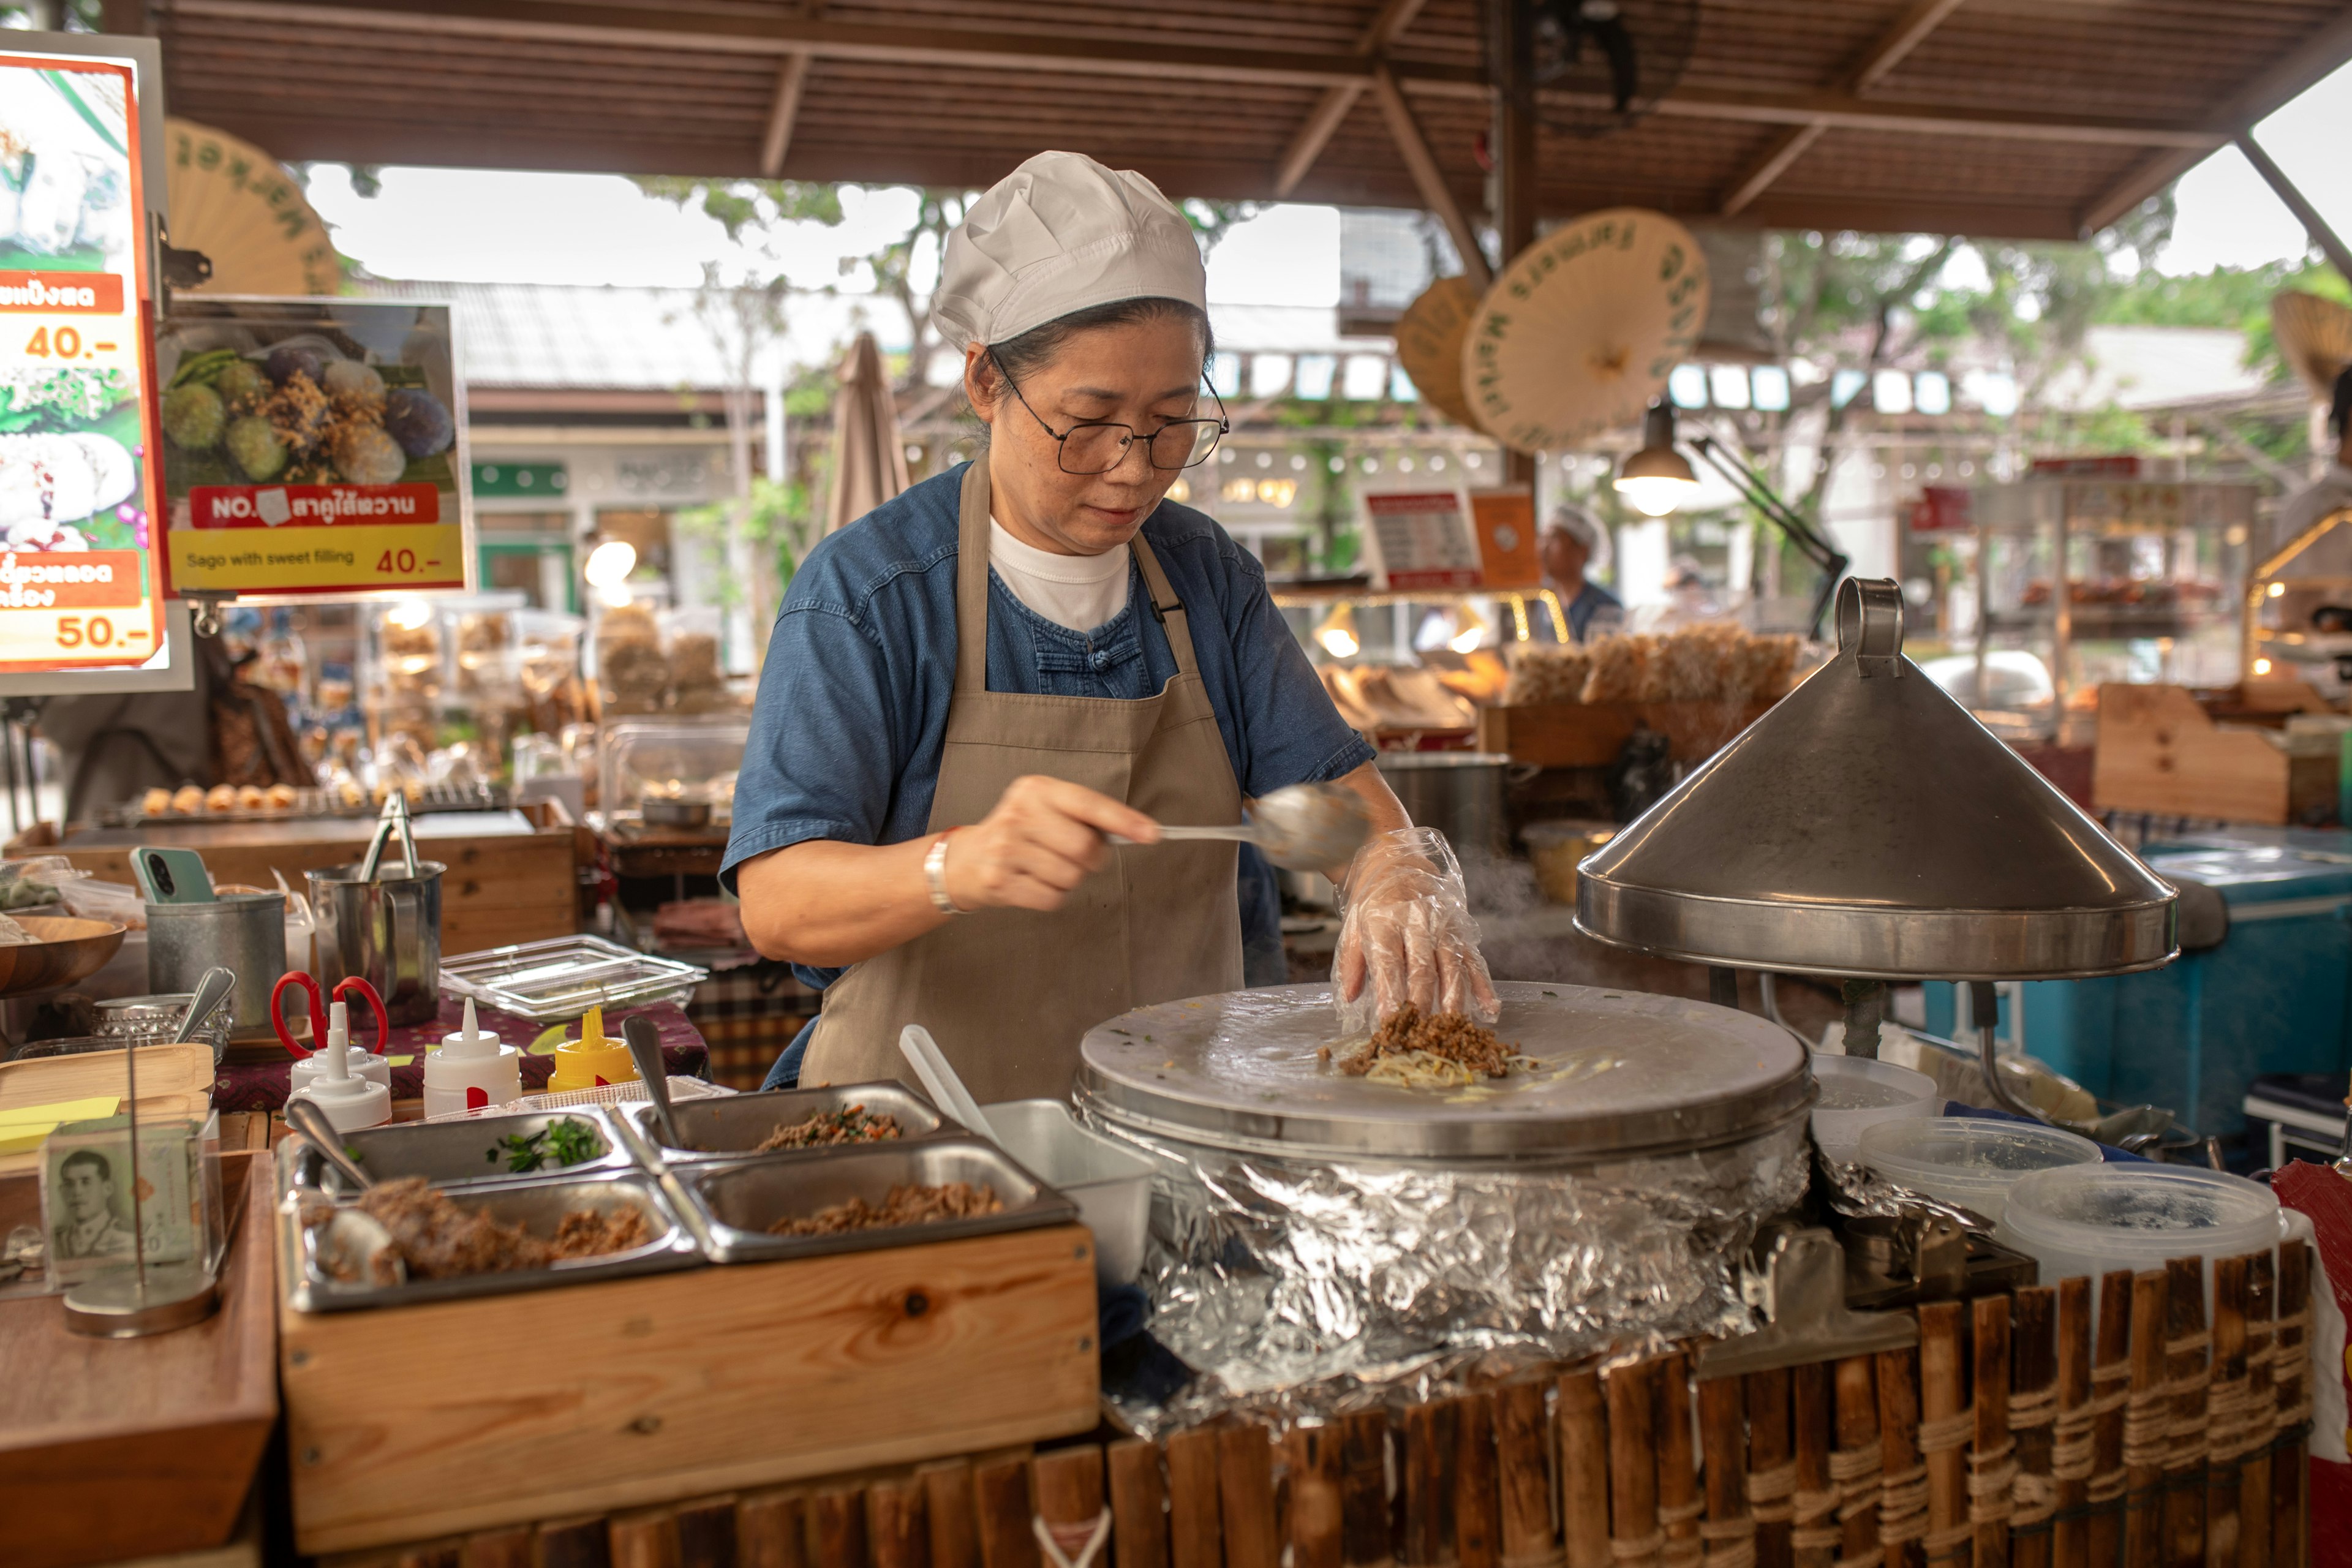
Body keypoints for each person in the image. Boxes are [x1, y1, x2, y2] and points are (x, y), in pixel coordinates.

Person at [725, 151, 1490, 1099]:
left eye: (1171, 420)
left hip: (1182, 1123)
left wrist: (1391, 874)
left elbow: (1337, 807)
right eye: (1087, 422)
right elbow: (779, 904)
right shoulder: (872, 593)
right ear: (986, 383)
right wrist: (957, 865)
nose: (1133, 468)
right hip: (930, 1132)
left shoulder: (1208, 576)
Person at [1530, 503, 1623, 642]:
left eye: (1555, 538)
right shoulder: (1541, 602)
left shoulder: (1604, 606)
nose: (1544, 547)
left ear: (1582, 551)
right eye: (1543, 538)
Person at [51, 1147, 133, 1261]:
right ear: (62, 1191)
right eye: (69, 1184)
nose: (77, 1192)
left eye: (86, 1182)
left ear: (108, 1188)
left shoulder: (128, 1236)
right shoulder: (55, 1241)